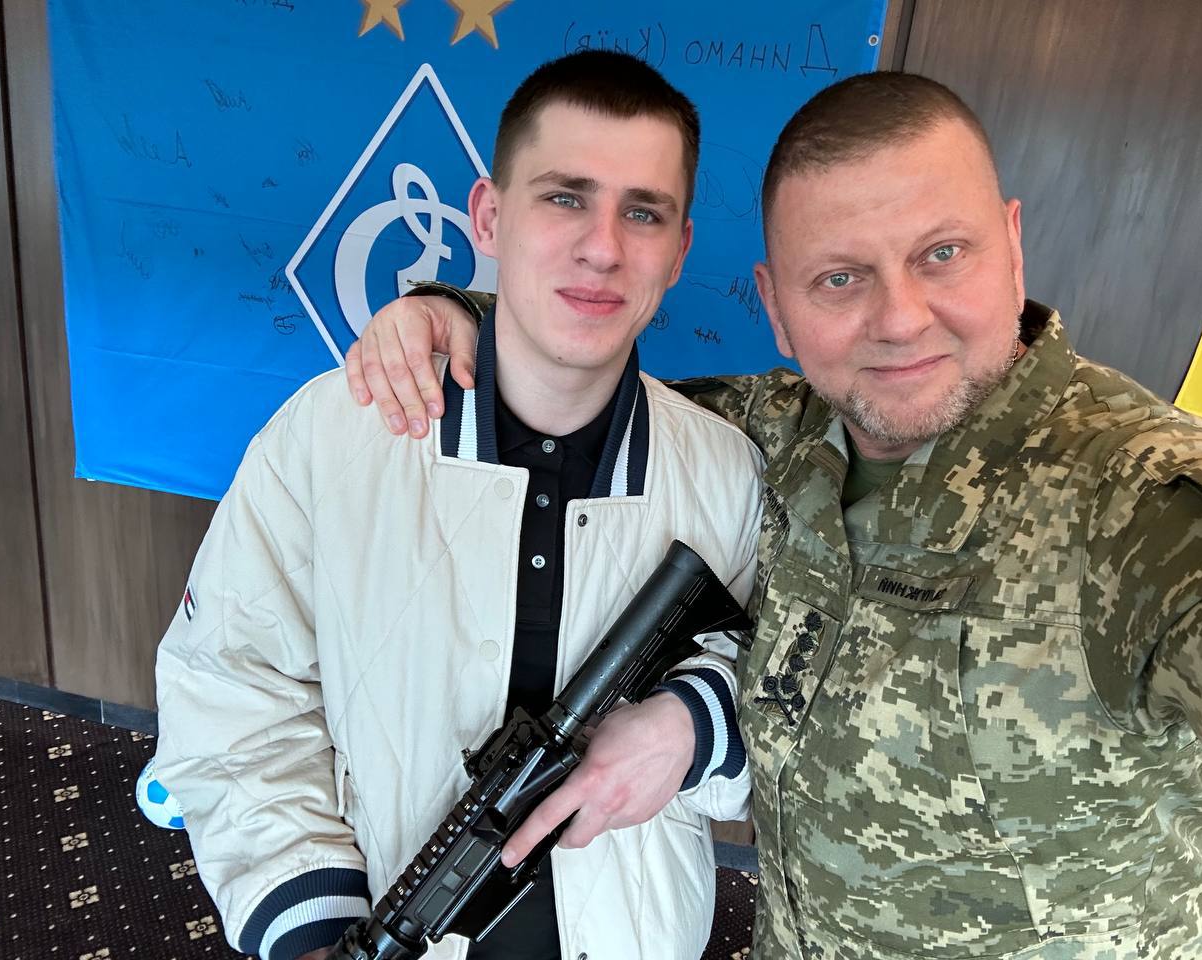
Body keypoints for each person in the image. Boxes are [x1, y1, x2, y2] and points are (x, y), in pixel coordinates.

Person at [346, 71, 1202, 959]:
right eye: (840, 278)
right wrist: (452, 316)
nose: (900, 319)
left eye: (942, 254)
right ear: (775, 307)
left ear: (1011, 244)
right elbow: (579, 377)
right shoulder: (775, 430)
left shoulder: (1144, 507)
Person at [153, 51, 765, 960]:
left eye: (644, 212)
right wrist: (310, 924)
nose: (603, 247)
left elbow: (784, 702)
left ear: (678, 251)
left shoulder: (728, 470)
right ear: (488, 216)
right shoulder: (332, 434)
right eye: (565, 197)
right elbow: (232, 689)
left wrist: (691, 723)